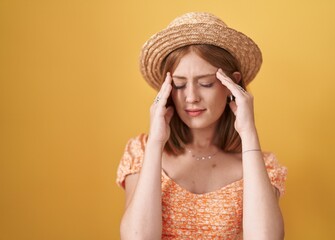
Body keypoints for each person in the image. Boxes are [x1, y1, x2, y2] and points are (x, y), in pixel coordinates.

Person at [116, 12, 287, 240]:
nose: (191, 97)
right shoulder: (140, 151)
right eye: (178, 85)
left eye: (205, 83)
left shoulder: (262, 165)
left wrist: (248, 134)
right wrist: (156, 143)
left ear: (232, 84)